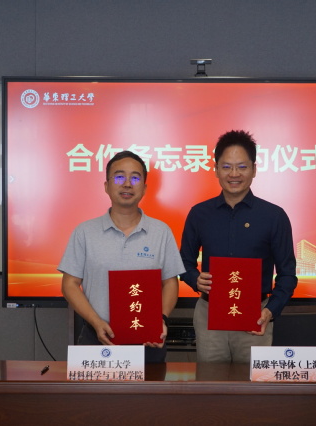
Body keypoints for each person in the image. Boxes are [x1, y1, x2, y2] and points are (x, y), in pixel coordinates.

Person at [180, 130, 298, 363]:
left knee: (252, 383)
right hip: (209, 315)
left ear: (254, 169)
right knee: (210, 381)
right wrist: (195, 279)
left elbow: (287, 274)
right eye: (226, 167)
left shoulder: (274, 216)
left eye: (242, 167)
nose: (234, 174)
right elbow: (183, 262)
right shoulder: (199, 214)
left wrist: (270, 310)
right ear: (216, 169)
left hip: (256, 316)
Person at [59, 150, 185, 363]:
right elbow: (69, 284)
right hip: (97, 337)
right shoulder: (85, 232)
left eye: (135, 178)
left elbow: (170, 282)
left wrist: (160, 320)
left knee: (149, 386)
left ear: (144, 188)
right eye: (119, 177)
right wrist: (96, 322)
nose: (127, 184)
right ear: (106, 186)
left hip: (148, 340)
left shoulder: (161, 232)